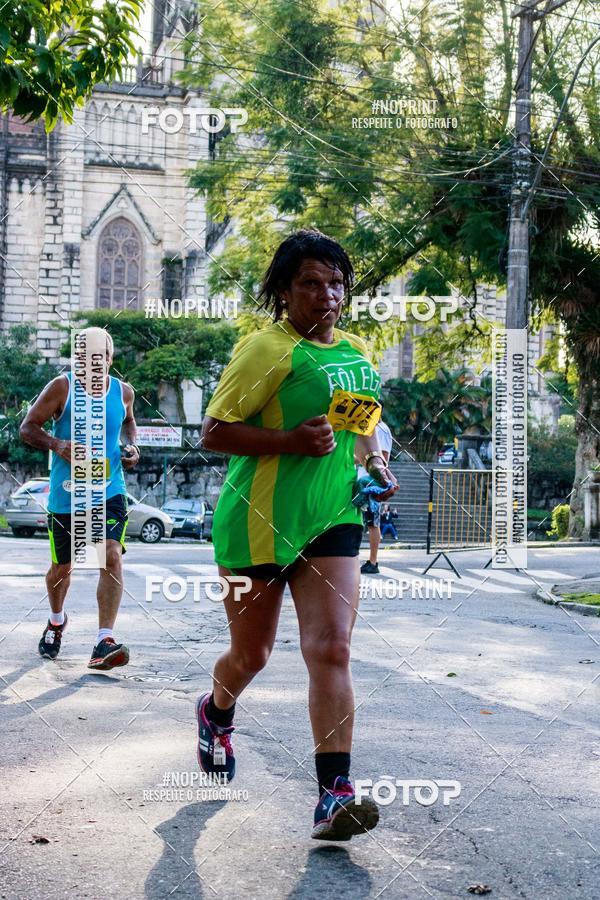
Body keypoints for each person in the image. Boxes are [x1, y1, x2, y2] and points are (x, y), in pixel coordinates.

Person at [198, 229, 398, 841]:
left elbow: (362, 426)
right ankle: (216, 711)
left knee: (331, 648)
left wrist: (374, 466)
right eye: (310, 283)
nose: (326, 295)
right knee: (251, 655)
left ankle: (333, 796)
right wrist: (287, 441)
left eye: (336, 283)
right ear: (284, 292)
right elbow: (212, 433)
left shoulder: (356, 354)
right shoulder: (266, 349)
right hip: (256, 524)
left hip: (331, 518)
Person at [19, 327, 140, 670]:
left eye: (98, 357)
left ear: (109, 359)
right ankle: (57, 620)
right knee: (62, 567)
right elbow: (28, 428)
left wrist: (132, 447)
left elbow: (130, 423)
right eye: (83, 357)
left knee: (110, 556)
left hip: (110, 490)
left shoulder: (124, 392)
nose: (90, 363)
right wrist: (59, 445)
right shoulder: (63, 387)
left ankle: (104, 641)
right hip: (67, 495)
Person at [359, 418, 393, 574]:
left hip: (373, 483)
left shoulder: (382, 429)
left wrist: (358, 457)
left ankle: (373, 562)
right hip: (361, 481)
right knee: (360, 521)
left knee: (373, 523)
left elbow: (383, 459)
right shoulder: (365, 425)